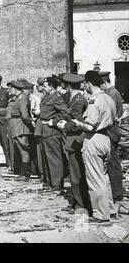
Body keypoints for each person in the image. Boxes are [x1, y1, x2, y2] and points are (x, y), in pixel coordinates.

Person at [72, 71, 117, 223]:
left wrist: (78, 123)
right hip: (106, 139)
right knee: (104, 178)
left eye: (85, 84)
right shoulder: (109, 98)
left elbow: (90, 126)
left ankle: (100, 214)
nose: (84, 86)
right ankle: (110, 209)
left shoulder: (94, 100)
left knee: (95, 178)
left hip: (94, 139)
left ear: (89, 84)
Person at [57, 74, 91, 215]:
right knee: (75, 173)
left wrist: (64, 126)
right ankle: (78, 202)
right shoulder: (77, 98)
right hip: (74, 140)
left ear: (69, 86)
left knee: (77, 174)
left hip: (76, 140)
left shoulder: (77, 101)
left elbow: (77, 124)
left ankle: (80, 204)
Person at [36, 77, 69, 190]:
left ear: (51, 86)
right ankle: (49, 182)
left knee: (54, 158)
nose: (43, 87)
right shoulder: (46, 96)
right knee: (46, 157)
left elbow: (65, 112)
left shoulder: (56, 97)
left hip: (52, 131)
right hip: (44, 130)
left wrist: (53, 122)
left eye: (45, 85)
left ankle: (57, 184)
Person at [100, 71, 123, 203]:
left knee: (113, 162)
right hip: (112, 129)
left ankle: (117, 193)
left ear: (104, 83)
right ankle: (115, 191)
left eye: (101, 85)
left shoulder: (111, 94)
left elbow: (110, 114)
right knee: (112, 162)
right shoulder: (111, 93)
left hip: (111, 130)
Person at [7, 81, 33, 181]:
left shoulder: (22, 98)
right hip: (16, 127)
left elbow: (25, 116)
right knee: (20, 151)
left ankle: (25, 174)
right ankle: (23, 173)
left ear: (15, 89)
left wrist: (31, 125)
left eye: (11, 88)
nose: (9, 90)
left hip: (21, 128)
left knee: (24, 151)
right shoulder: (17, 98)